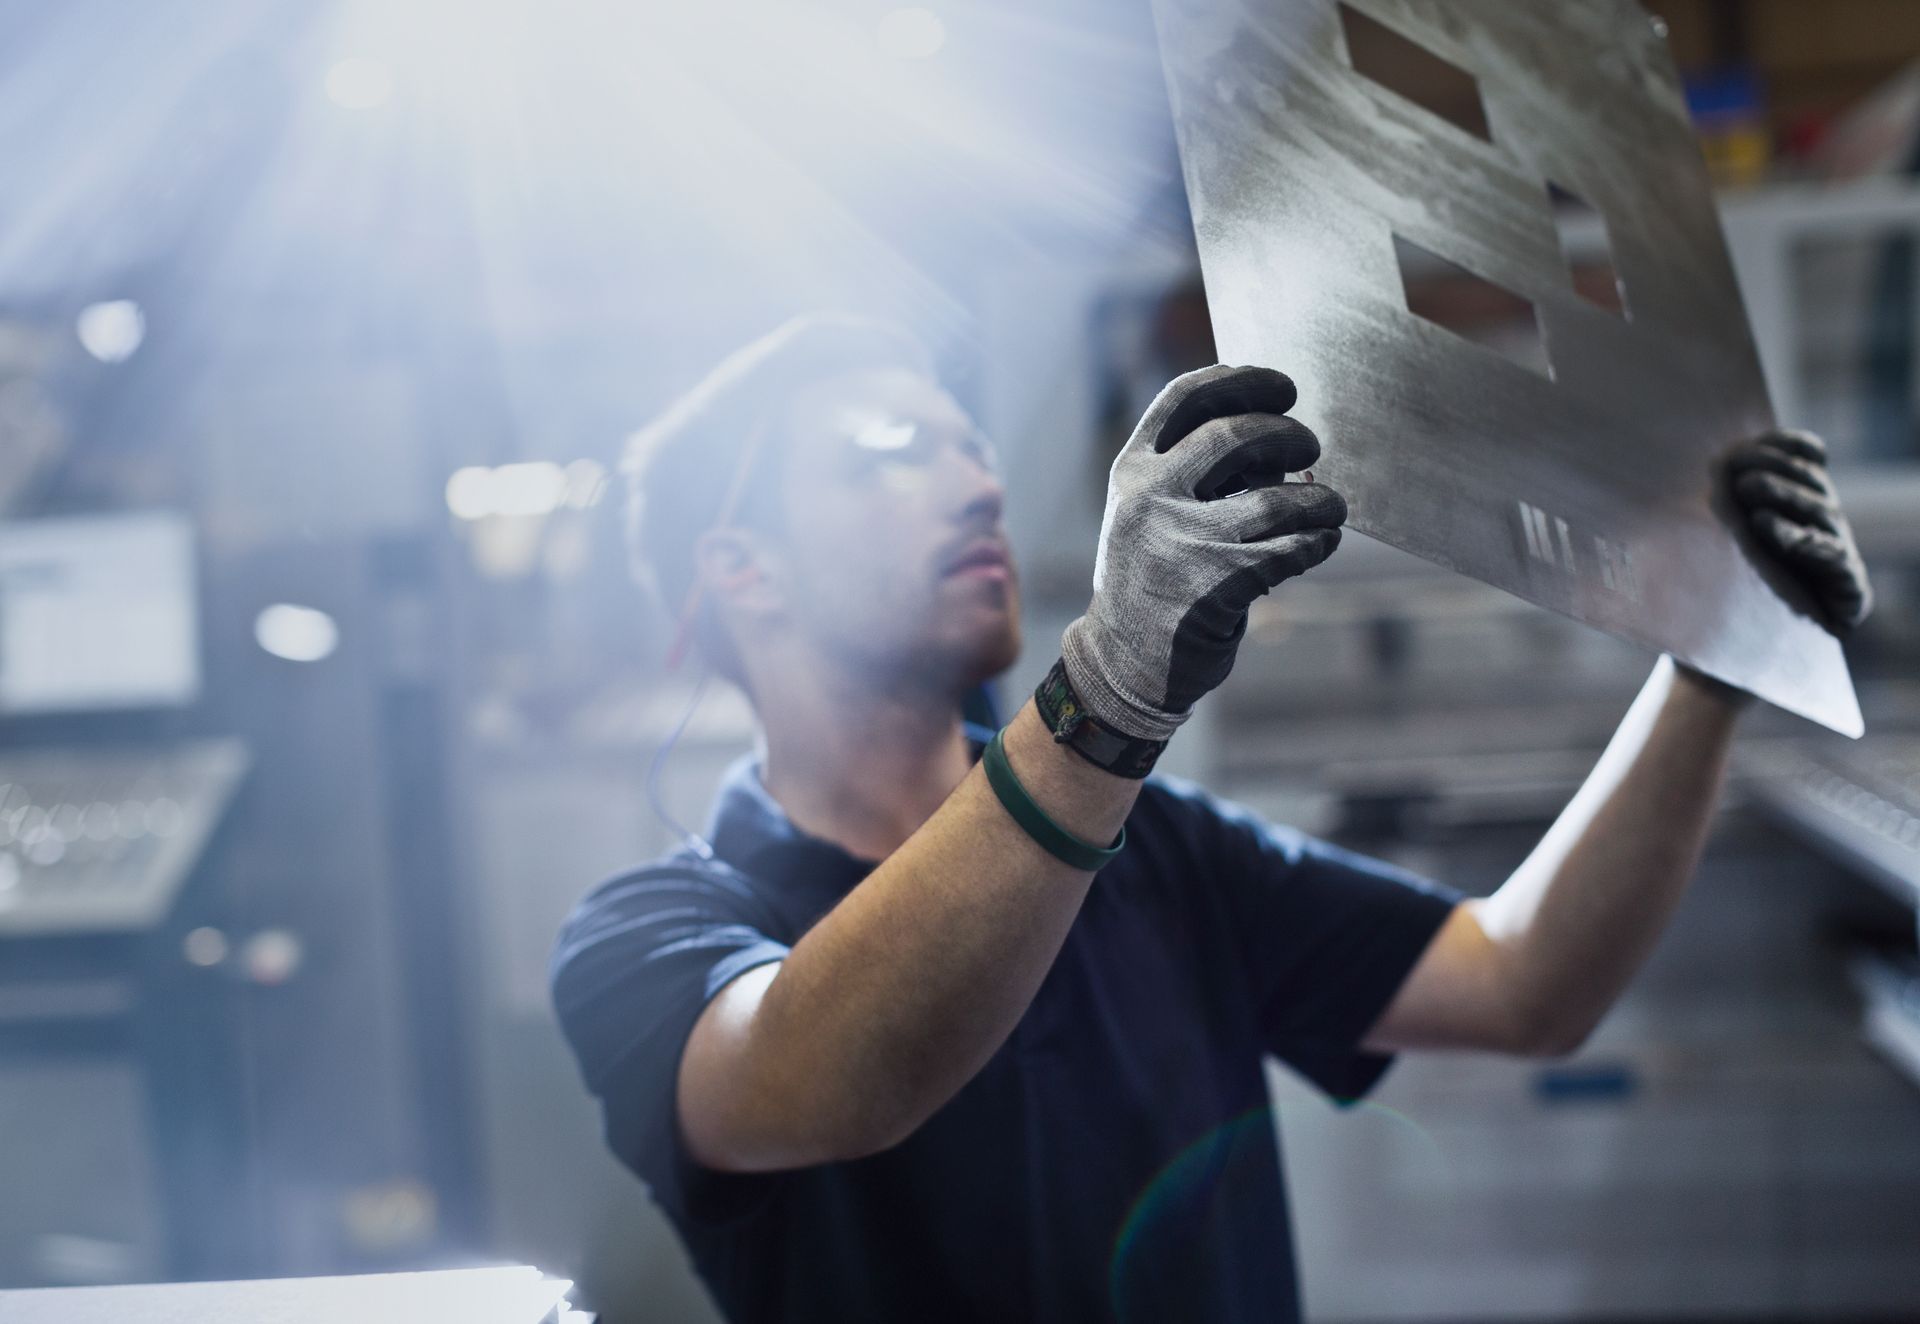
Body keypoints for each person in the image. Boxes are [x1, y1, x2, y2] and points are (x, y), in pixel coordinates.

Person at [550, 313, 1872, 1323]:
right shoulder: (650, 938)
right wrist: (1111, 688)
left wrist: (1710, 661)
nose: (977, 485)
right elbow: (819, 1078)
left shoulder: (1162, 851)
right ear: (742, 573)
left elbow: (1524, 983)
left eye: (970, 443)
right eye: (889, 457)